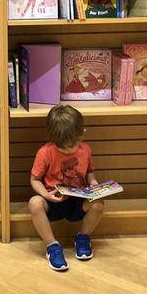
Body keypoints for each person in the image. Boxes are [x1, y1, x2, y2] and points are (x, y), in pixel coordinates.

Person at [28, 105, 103, 271]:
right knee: (34, 203)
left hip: (79, 200)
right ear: (54, 139)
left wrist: (93, 183)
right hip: (53, 200)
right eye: (64, 147)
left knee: (98, 203)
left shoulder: (85, 150)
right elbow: (35, 180)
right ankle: (52, 246)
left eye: (73, 145)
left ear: (81, 133)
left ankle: (83, 237)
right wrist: (46, 195)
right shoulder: (45, 152)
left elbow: (90, 171)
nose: (70, 149)